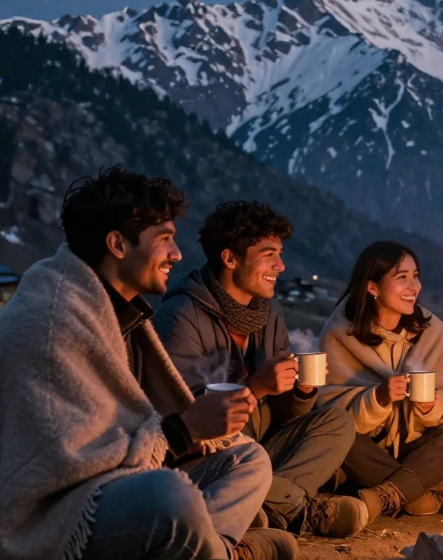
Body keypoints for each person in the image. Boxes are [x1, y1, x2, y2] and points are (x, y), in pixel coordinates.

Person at [0, 167, 295, 560]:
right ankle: (229, 558)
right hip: (38, 524)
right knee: (169, 497)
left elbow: (119, 432)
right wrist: (184, 431)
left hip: (106, 488)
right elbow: (61, 465)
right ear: (118, 244)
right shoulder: (52, 320)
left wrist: (189, 431)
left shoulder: (110, 311)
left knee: (247, 458)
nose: (177, 254)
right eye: (164, 238)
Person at [153, 201, 365, 538]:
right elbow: (187, 424)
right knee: (245, 455)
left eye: (280, 254)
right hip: (209, 458)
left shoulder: (267, 313)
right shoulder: (180, 316)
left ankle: (265, 507)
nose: (280, 265)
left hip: (258, 448)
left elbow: (285, 416)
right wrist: (255, 386)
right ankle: (298, 510)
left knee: (336, 421)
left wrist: (301, 390)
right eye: (269, 255)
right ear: (230, 258)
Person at [317, 241, 443, 521]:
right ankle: (426, 489)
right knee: (333, 434)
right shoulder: (341, 333)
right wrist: (377, 398)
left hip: (419, 447)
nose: (414, 286)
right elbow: (328, 410)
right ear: (372, 287)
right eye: (402, 277)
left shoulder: (431, 330)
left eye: (416, 276)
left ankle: (389, 495)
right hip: (369, 451)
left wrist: (431, 407)